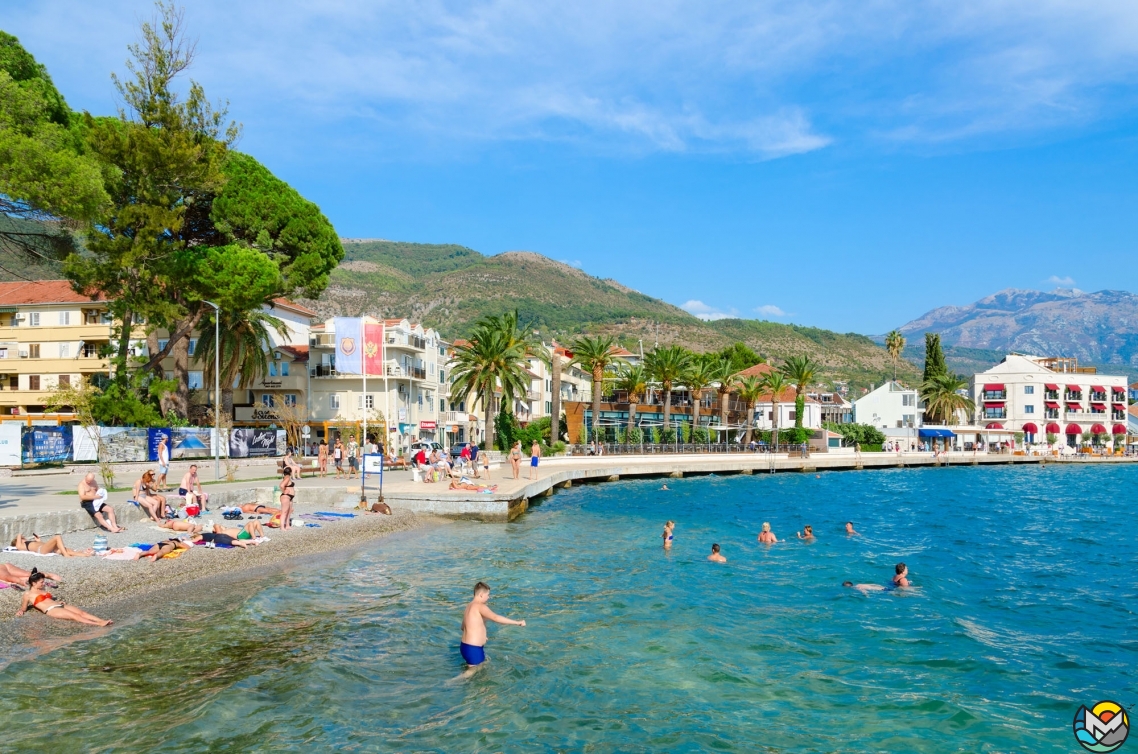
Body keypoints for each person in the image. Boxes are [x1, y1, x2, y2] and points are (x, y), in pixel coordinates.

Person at [459, 581, 525, 673]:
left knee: (478, 671)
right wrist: (517, 622)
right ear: (481, 594)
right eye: (488, 595)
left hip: (465, 647)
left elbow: (463, 627)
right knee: (474, 672)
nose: (489, 597)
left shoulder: (469, 607)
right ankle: (450, 683)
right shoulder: (480, 606)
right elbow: (496, 618)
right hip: (473, 648)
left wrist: (481, 635)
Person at [17, 569, 112, 626]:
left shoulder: (43, 589)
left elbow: (48, 599)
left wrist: (58, 601)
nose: (43, 583)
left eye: (43, 581)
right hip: (51, 610)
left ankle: (101, 620)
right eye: (41, 582)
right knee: (75, 616)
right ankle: (98, 624)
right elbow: (24, 608)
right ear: (33, 583)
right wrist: (21, 611)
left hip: (59, 605)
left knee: (82, 613)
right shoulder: (28, 594)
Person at [10, 534, 93, 557]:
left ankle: (84, 553)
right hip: (41, 550)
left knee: (64, 549)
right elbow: (17, 546)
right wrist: (19, 535)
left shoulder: (28, 543)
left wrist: (38, 541)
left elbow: (43, 545)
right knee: (57, 537)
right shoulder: (21, 546)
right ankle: (66, 555)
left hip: (44, 548)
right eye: (22, 538)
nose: (24, 538)